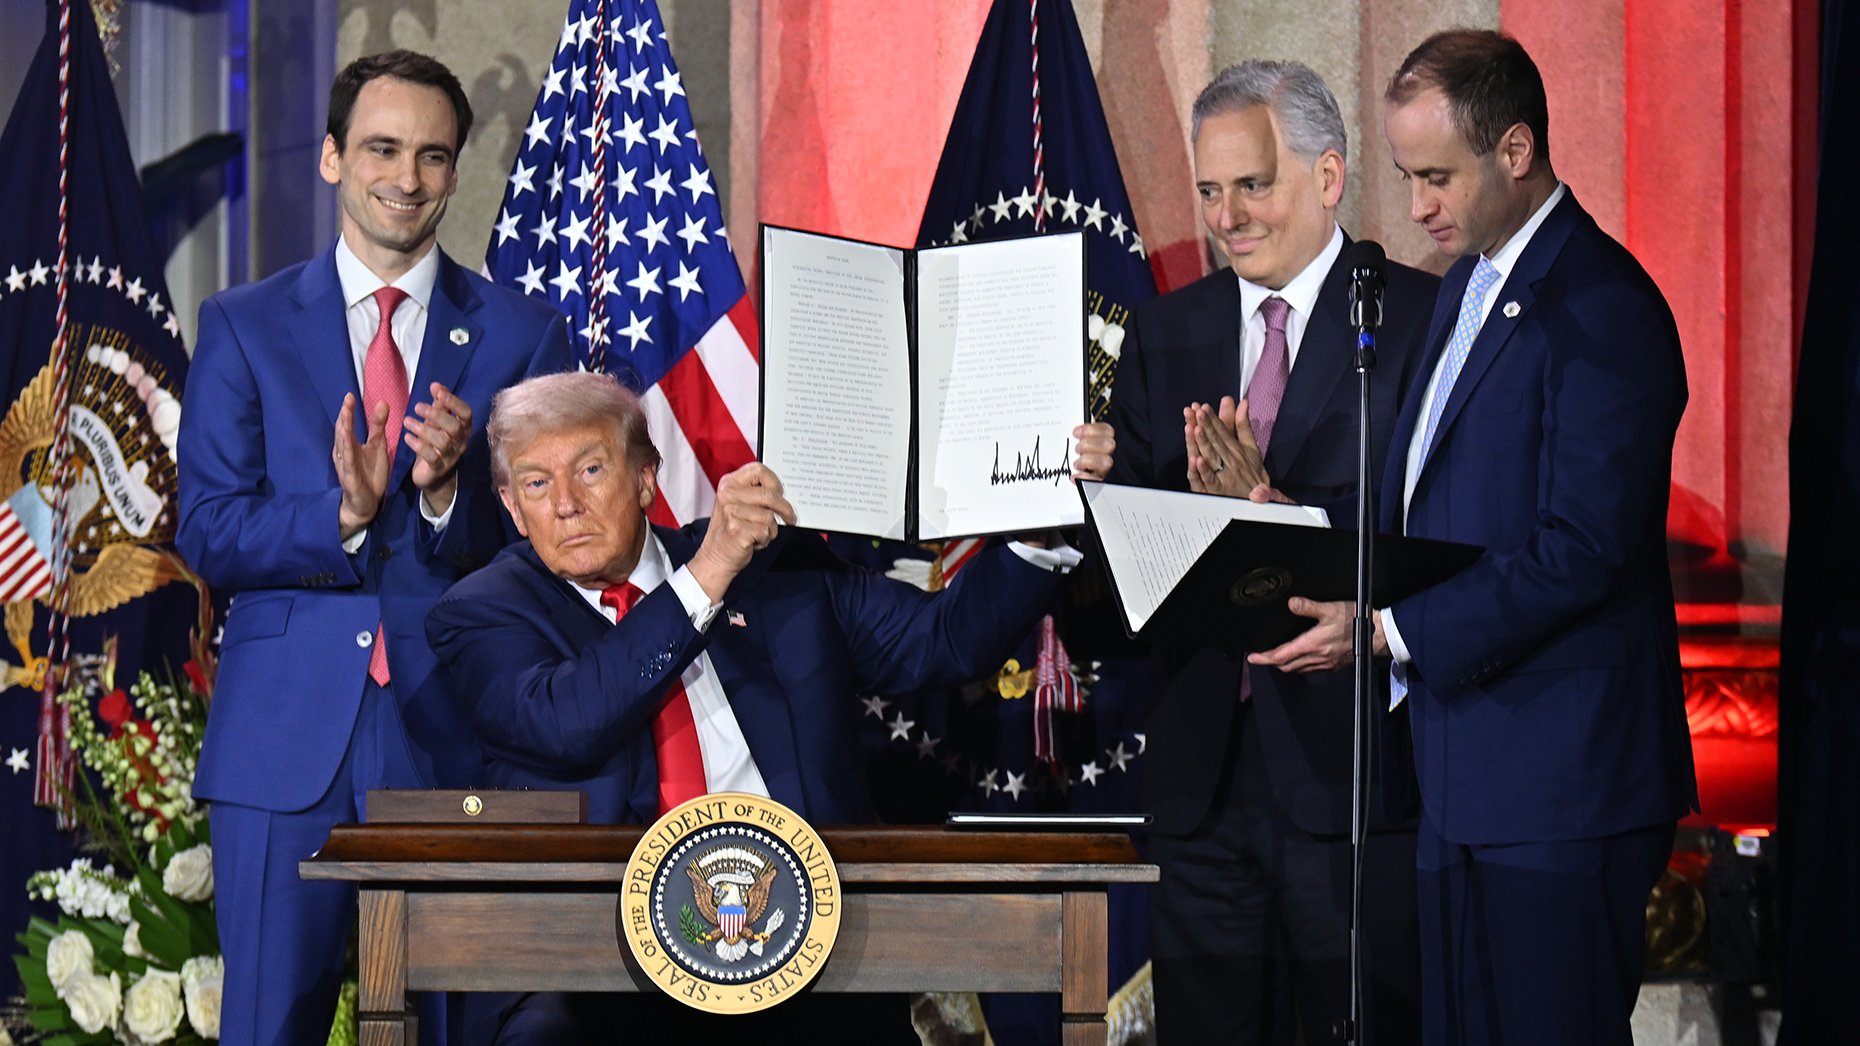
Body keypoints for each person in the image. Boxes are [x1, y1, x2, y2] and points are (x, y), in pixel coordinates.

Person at [1260, 30, 1697, 1044]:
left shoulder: (1605, 306)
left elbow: (1582, 545)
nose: (1417, 206)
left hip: (1563, 783)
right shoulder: (1460, 288)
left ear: (1514, 149)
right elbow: (1429, 505)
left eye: (1436, 176)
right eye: (1410, 176)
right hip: (1456, 775)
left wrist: (1391, 633)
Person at [425, 370, 1079, 1042]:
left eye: (591, 469)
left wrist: (1041, 528)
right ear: (509, 503)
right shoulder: (482, 611)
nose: (565, 503)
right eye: (536, 483)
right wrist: (705, 577)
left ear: (647, 478)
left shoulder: (772, 571)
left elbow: (942, 642)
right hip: (599, 962)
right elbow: (568, 722)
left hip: (809, 941)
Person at [176, 50, 572, 1046]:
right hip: (281, 738)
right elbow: (208, 528)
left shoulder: (523, 334)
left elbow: (557, 550)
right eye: (383, 149)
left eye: (434, 156)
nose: (407, 177)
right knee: (271, 1025)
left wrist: (446, 494)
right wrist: (339, 516)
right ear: (330, 158)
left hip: (451, 727)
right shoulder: (243, 323)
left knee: (452, 1025)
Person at [1072, 61, 1438, 1045]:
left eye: (1252, 183)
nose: (1226, 215)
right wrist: (1101, 505)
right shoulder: (1165, 332)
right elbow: (1126, 580)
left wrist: (1266, 509)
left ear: (1327, 177)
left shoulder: (1414, 323)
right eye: (1208, 189)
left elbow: (1424, 538)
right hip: (1200, 788)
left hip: (1353, 779)